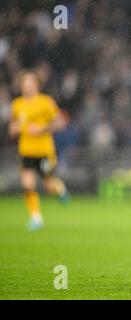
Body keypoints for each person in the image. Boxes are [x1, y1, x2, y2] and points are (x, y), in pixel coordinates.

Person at [9, 71, 68, 231]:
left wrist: (42, 129)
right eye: (24, 84)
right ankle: (36, 218)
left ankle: (61, 190)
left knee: (49, 185)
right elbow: (12, 128)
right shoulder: (17, 104)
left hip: (44, 152)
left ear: (36, 85)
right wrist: (14, 129)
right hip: (26, 151)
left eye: (30, 84)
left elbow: (60, 123)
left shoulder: (45, 102)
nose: (27, 87)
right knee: (28, 185)